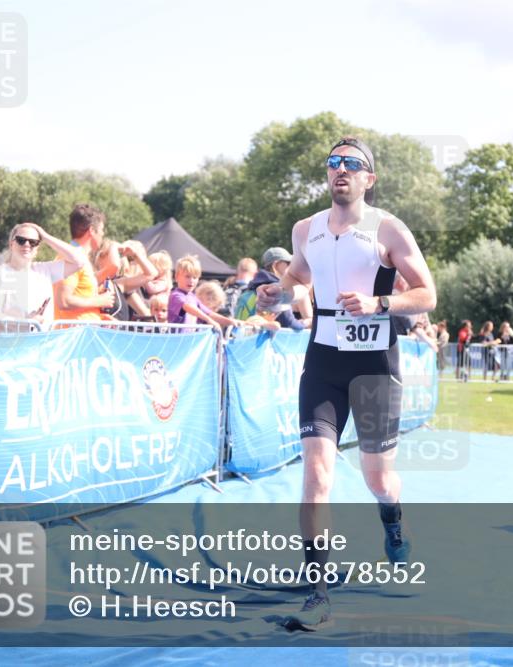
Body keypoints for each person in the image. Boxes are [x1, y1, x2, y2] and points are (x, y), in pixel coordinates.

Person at [256, 136, 436, 630]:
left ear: (368, 179)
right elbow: (298, 279)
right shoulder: (306, 229)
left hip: (375, 366)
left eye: (353, 164)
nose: (341, 170)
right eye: (334, 163)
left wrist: (381, 304)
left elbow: (427, 294)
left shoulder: (390, 229)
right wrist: (275, 295)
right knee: (316, 475)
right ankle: (317, 591)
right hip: (325, 364)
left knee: (378, 478)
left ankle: (393, 521)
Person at [0, 222, 87, 330]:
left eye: (33, 242)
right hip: (10, 344)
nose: (27, 244)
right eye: (21, 240)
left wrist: (45, 236)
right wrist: (24, 324)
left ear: (37, 249)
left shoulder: (45, 270)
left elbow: (79, 261)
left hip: (42, 343)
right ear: (11, 244)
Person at [52, 204, 115, 322]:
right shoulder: (71, 258)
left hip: (82, 333)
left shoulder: (77, 257)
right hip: (75, 336)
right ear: (91, 230)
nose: (103, 234)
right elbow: (63, 300)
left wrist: (99, 317)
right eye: (101, 229)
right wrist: (100, 301)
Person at [240, 248, 306, 330]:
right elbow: (289, 323)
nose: (291, 267)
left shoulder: (250, 288)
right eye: (288, 263)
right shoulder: (276, 290)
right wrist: (306, 323)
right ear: (276, 265)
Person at [167, 255, 222, 331]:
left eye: (195, 277)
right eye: (187, 276)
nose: (191, 280)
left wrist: (231, 321)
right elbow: (187, 307)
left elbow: (209, 313)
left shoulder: (193, 297)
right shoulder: (176, 295)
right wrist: (208, 320)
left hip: (190, 340)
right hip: (177, 341)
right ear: (176, 277)